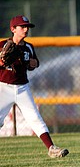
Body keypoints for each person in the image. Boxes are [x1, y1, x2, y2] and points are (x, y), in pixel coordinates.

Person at [0, 15, 69, 158]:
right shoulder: (1, 45)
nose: (26, 29)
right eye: (22, 27)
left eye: (27, 27)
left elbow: (34, 63)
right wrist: (2, 61)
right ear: (13, 29)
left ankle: (51, 148)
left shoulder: (29, 47)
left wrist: (34, 64)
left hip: (22, 88)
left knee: (35, 118)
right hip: (3, 87)